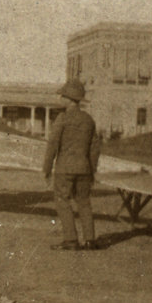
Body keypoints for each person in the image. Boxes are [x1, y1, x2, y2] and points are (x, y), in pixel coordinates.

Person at [42, 78, 101, 250]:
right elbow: (95, 148)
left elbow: (53, 144)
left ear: (69, 99)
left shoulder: (62, 118)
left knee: (62, 200)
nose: (60, 99)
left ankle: (71, 240)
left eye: (63, 96)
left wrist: (46, 168)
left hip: (64, 168)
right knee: (84, 202)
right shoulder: (89, 120)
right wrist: (91, 170)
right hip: (84, 168)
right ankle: (90, 240)